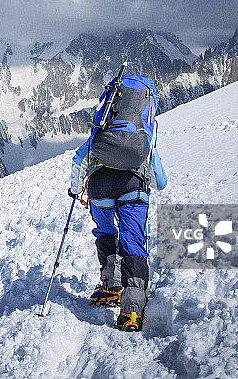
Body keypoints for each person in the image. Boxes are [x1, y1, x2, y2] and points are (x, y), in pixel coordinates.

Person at [69, 78, 167, 332]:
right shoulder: (141, 140)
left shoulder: (102, 134)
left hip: (100, 187)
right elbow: (161, 182)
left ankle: (111, 287)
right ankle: (132, 308)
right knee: (132, 239)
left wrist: (76, 188)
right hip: (133, 187)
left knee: (106, 232)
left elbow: (79, 159)